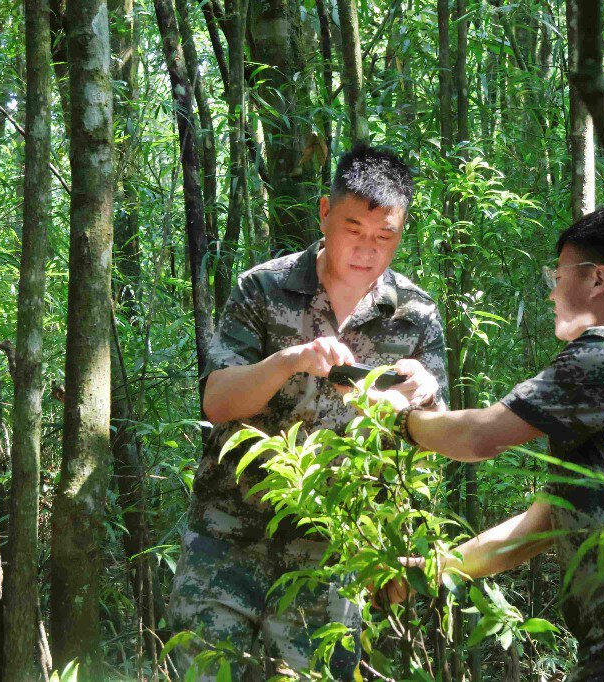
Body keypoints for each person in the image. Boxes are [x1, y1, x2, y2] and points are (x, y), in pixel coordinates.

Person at [376, 207, 604, 681]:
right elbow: (534, 529)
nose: (550, 291)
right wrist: (428, 570)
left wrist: (398, 418)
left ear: (597, 279)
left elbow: (482, 436)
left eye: (558, 275)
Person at [168, 145, 449, 680]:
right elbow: (218, 400)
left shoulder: (415, 315)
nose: (366, 249)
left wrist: (423, 397)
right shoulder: (262, 288)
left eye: (384, 236)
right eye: (353, 229)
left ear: (401, 233)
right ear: (325, 213)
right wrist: (290, 360)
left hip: (331, 555)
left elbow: (436, 436)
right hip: (228, 537)